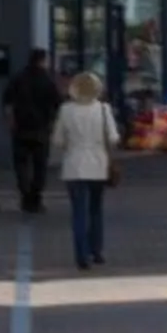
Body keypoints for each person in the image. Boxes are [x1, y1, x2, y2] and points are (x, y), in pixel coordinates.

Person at [53, 67, 120, 272]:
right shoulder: (103, 109)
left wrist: (70, 145)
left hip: (73, 165)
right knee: (95, 209)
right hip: (98, 164)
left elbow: (57, 140)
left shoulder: (66, 110)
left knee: (78, 212)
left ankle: (81, 255)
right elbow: (114, 138)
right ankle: (96, 250)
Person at [3, 46, 63, 213]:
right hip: (41, 130)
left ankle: (25, 195)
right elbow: (57, 104)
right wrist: (52, 123)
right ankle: (35, 198)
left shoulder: (18, 78)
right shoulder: (48, 81)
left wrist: (11, 121)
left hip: (20, 128)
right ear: (43, 60)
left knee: (21, 164)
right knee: (40, 166)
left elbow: (7, 102)